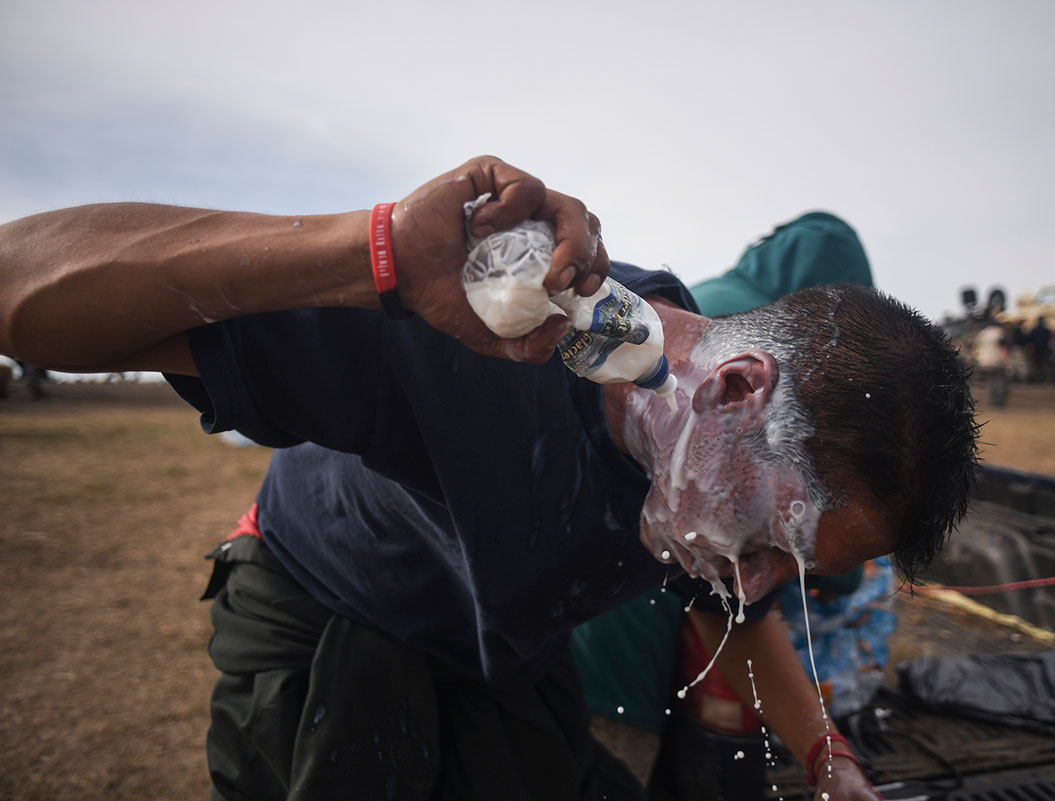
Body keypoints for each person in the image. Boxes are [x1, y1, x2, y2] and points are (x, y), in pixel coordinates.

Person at [0, 156, 979, 801]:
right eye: (770, 547)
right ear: (733, 391)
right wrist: (372, 250)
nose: (747, 582)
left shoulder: (714, 472)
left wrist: (827, 761)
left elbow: (747, 620)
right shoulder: (483, 330)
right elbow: (20, 286)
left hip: (502, 642)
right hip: (334, 608)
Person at [570, 211, 876, 790]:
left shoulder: (690, 310)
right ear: (737, 387)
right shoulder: (795, 367)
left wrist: (828, 759)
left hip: (571, 639)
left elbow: (737, 606)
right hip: (627, 648)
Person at [974, 316, 1009, 407]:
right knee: (1000, 380)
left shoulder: (983, 333)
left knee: (990, 380)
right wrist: (1007, 360)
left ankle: (992, 400)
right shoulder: (999, 332)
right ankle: (999, 401)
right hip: (997, 359)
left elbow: (977, 346)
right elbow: (1003, 347)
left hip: (984, 360)